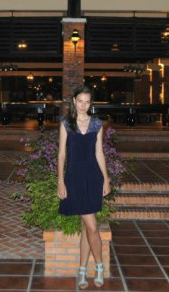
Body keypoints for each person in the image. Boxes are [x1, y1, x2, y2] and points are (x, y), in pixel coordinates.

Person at [57, 86, 111, 289]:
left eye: (87, 102)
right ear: (74, 101)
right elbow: (61, 154)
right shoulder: (66, 123)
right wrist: (60, 181)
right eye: (80, 101)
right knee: (91, 226)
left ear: (90, 104)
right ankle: (96, 267)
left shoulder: (97, 124)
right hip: (74, 178)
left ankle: (85, 269)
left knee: (88, 227)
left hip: (92, 177)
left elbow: (99, 153)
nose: (83, 105)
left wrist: (106, 179)